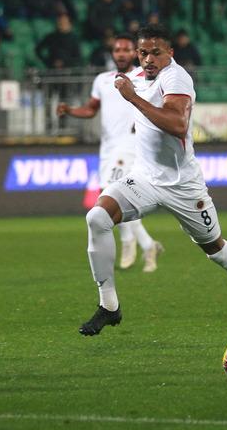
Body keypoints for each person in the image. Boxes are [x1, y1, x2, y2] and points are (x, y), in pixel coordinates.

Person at [78, 24, 227, 338]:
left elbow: (178, 124)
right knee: (97, 217)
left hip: (182, 185)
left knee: (215, 248)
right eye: (143, 53)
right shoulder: (136, 77)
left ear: (170, 53)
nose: (148, 59)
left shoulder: (176, 78)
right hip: (144, 178)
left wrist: (133, 99)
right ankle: (109, 305)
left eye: (156, 53)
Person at [58, 34, 162, 273]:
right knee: (117, 198)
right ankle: (148, 245)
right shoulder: (102, 80)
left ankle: (130, 243)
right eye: (117, 50)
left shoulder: (143, 77)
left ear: (135, 53)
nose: (121, 54)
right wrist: (70, 110)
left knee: (112, 195)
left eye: (126, 49)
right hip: (107, 149)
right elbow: (91, 110)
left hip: (130, 147)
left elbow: (157, 104)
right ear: (112, 54)